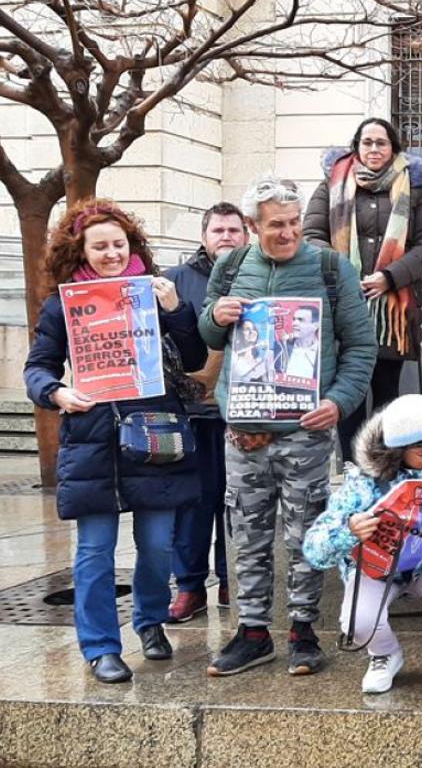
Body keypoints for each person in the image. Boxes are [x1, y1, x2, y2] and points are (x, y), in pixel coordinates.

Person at [200, 175, 378, 677]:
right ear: (253, 226)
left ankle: (303, 630)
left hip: (305, 431)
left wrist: (338, 402)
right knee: (248, 535)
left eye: (295, 222)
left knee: (307, 535)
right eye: (276, 224)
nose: (288, 232)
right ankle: (252, 631)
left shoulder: (329, 269)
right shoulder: (232, 265)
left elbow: (361, 347)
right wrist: (217, 314)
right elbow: (207, 335)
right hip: (245, 431)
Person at [24, 198, 207, 683]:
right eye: (99, 246)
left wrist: (176, 310)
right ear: (80, 252)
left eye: (118, 244)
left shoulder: (155, 293)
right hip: (94, 441)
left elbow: (191, 358)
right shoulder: (63, 305)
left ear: (132, 246)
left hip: (154, 436)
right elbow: (37, 368)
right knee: (94, 551)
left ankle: (150, 622)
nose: (110, 253)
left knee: (157, 547)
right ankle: (101, 646)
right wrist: (57, 392)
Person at [303, 395, 422, 694]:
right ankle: (384, 654)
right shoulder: (367, 480)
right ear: (396, 451)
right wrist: (350, 530)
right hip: (376, 565)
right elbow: (314, 548)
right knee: (356, 622)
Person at [304, 117, 422, 457]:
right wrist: (344, 274)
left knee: (386, 391)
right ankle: (350, 465)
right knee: (348, 388)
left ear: (394, 148)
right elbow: (311, 235)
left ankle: (384, 463)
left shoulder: (416, 188)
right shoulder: (331, 185)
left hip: (393, 309)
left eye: (382, 143)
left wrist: (389, 277)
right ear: (357, 147)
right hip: (344, 304)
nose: (374, 149)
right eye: (367, 142)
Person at [165, 202, 248, 623]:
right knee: (194, 504)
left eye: (235, 230)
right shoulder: (174, 282)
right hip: (191, 413)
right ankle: (190, 586)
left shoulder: (260, 277)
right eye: (218, 230)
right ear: (204, 236)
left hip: (244, 416)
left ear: (246, 235)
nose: (227, 237)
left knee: (238, 504)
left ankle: (233, 578)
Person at [276, 304, 321, 379]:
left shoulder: (324, 351)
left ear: (315, 326)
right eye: (294, 319)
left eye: (301, 320)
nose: (294, 323)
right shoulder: (280, 347)